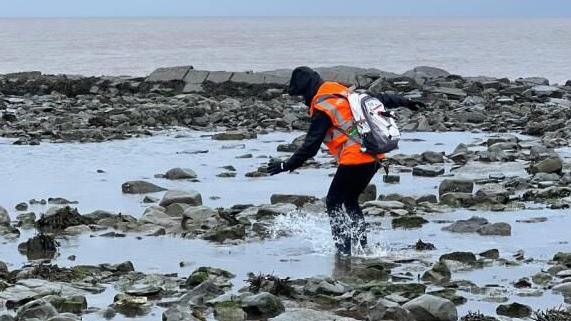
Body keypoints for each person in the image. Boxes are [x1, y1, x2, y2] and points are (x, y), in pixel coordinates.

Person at [268, 66, 423, 256]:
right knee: (350, 201)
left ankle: (343, 249)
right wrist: (407, 102)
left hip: (355, 158)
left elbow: (310, 146)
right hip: (375, 155)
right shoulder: (342, 91)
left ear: (307, 89)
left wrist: (286, 165)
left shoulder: (324, 107)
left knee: (333, 202)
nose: (303, 101)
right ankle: (361, 247)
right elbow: (379, 98)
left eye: (302, 95)